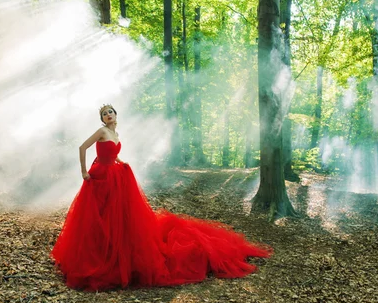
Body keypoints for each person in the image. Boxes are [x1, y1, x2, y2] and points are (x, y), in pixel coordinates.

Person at [51, 104, 271, 291]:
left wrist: (120, 162)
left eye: (111, 112)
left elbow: (111, 154)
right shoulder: (101, 132)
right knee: (99, 216)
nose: (108, 115)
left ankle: (116, 256)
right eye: (105, 114)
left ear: (116, 115)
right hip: (100, 177)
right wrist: (83, 171)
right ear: (102, 119)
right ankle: (96, 256)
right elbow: (83, 147)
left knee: (119, 218)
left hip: (117, 177)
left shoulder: (116, 134)